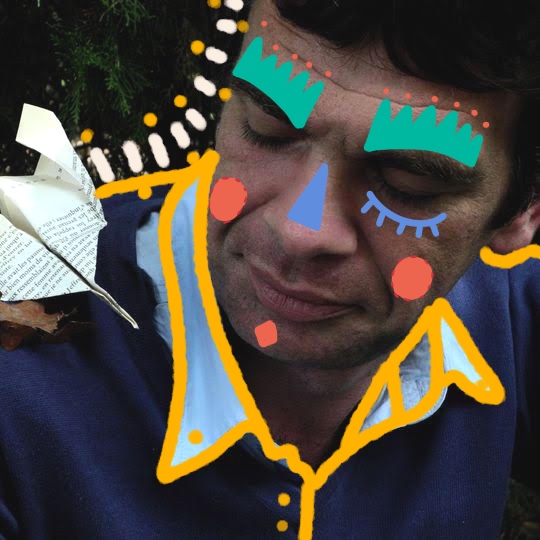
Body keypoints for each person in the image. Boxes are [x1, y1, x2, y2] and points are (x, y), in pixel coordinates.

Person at [1, 0, 539, 538]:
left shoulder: (506, 319)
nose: (301, 229)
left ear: (524, 210)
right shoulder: (18, 364)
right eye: (268, 128)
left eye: (407, 185)